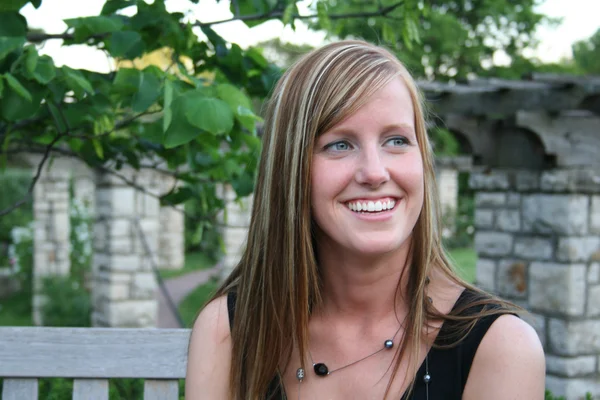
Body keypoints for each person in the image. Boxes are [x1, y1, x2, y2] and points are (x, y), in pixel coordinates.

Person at [185, 40, 545, 399]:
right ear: (290, 170)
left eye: (396, 140)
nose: (374, 173)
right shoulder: (229, 331)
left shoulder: (501, 348)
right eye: (339, 145)